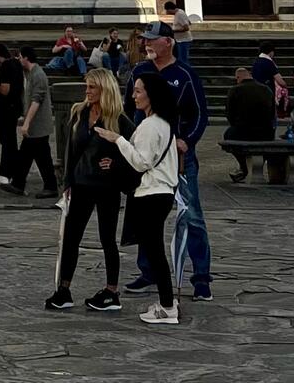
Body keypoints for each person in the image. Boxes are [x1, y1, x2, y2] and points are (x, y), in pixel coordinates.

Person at [122, 23, 210, 303]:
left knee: (191, 214)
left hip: (179, 157)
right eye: (144, 39)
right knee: (146, 215)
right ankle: (148, 271)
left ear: (168, 42)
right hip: (147, 156)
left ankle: (201, 279)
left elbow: (200, 114)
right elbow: (127, 110)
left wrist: (188, 140)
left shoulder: (185, 75)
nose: (145, 44)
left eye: (152, 39)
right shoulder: (139, 72)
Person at [96, 71, 180, 325]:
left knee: (154, 251)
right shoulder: (163, 124)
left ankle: (167, 306)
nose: (134, 95)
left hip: (152, 193)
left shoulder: (150, 125)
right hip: (162, 192)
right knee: (155, 250)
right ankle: (167, 302)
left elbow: (142, 162)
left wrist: (117, 139)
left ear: (151, 95)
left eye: (139, 91)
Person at [46, 67, 133, 312]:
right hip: (81, 184)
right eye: (87, 87)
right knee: (71, 238)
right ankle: (63, 289)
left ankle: (112, 291)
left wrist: (115, 163)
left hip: (107, 187)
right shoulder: (79, 112)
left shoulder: (119, 119)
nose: (87, 91)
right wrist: (67, 183)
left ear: (105, 89)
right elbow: (70, 152)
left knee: (107, 239)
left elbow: (135, 152)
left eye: (92, 87)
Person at [0, 44, 59, 195]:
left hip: (37, 125)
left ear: (26, 58)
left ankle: (48, 187)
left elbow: (36, 101)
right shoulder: (30, 73)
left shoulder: (38, 75)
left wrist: (26, 123)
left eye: (20, 57)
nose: (18, 59)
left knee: (39, 156)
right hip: (35, 125)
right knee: (28, 155)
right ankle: (20, 183)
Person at [225, 63, 278, 181]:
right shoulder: (266, 89)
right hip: (266, 133)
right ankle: (254, 166)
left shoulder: (235, 90)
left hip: (242, 132)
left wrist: (237, 125)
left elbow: (229, 114)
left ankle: (244, 166)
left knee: (228, 135)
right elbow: (272, 113)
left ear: (238, 78)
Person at [0, 43, 24, 184]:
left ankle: (5, 173)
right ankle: (12, 171)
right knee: (10, 140)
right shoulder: (15, 63)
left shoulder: (5, 66)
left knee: (7, 140)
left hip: (5, 108)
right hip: (14, 107)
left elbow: (5, 90)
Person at [164, 0, 195, 66]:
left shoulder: (180, 14)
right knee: (180, 58)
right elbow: (188, 22)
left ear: (170, 9)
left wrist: (173, 31)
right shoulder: (180, 12)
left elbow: (186, 28)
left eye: (167, 10)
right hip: (179, 40)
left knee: (183, 59)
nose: (167, 12)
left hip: (183, 40)